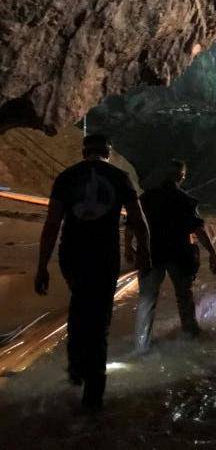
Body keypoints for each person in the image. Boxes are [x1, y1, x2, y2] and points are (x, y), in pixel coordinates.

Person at [34, 134, 150, 410]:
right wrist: (145, 253)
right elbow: (138, 220)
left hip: (71, 255)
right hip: (103, 256)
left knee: (79, 304)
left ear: (84, 151)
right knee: (100, 320)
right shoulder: (120, 177)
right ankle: (93, 394)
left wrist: (41, 267)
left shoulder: (66, 176)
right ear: (108, 152)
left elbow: (51, 224)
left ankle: (75, 369)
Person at [133, 160, 216, 353]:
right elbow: (198, 229)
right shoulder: (186, 200)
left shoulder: (147, 197)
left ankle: (141, 344)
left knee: (147, 299)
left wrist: (131, 250)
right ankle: (190, 336)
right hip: (179, 255)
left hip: (152, 253)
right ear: (182, 176)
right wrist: (212, 253)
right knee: (184, 296)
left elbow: (134, 221)